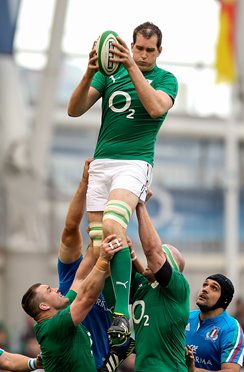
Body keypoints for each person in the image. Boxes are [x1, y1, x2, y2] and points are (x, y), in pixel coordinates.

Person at [67, 21, 179, 346]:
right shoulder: (108, 73)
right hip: (102, 163)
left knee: (116, 224)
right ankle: (113, 326)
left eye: (149, 50)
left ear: (159, 51)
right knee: (100, 245)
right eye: (138, 49)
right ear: (131, 45)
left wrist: (131, 68)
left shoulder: (165, 79)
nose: (142, 55)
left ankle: (121, 314)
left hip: (135, 162)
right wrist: (89, 73)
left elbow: (156, 108)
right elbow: (74, 110)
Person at [38, 158, 120, 372]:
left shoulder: (120, 282)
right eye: (99, 228)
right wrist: (85, 183)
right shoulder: (72, 271)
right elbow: (70, 227)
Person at [100, 196, 195, 372]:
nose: (154, 258)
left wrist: (139, 202)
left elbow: (153, 252)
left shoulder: (177, 288)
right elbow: (113, 276)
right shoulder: (145, 288)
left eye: (163, 255)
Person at [21, 231, 122, 372]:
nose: (56, 289)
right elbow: (87, 298)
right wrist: (103, 260)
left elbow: (79, 279)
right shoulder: (53, 327)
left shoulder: (58, 316)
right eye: (49, 290)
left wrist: (94, 244)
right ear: (44, 305)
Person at [185, 274, 244, 372]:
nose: (205, 289)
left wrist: (194, 371)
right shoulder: (186, 318)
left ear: (224, 300)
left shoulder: (230, 329)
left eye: (214, 288)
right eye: (205, 284)